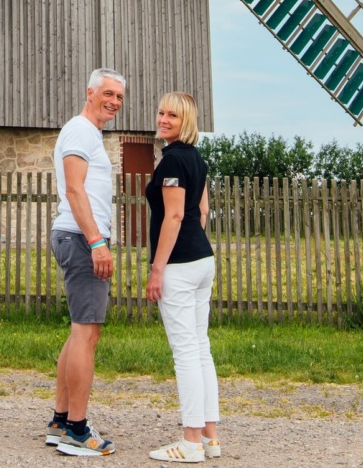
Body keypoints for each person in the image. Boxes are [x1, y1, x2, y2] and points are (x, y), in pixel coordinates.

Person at [46, 68, 126, 457]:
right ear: (89, 91)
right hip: (81, 238)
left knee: (80, 332)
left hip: (76, 236)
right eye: (108, 93)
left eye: (119, 97)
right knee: (87, 334)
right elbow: (74, 188)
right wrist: (97, 242)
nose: (113, 101)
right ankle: (77, 430)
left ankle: (61, 420)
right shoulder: (79, 129)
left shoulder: (87, 133)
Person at [145, 92, 221, 463]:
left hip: (179, 265)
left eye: (172, 115)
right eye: (161, 113)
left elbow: (174, 217)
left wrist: (158, 268)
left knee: (186, 354)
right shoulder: (197, 159)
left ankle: (190, 443)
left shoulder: (173, 160)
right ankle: (210, 437)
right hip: (203, 259)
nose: (163, 119)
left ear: (185, 120)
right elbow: (202, 211)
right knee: (201, 349)